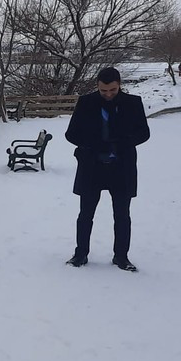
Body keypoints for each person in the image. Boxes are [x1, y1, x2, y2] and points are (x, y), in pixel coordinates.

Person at [64, 67, 150, 271]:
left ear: (119, 84)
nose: (108, 94)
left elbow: (144, 133)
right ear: (97, 86)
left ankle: (121, 257)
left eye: (112, 90)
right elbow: (71, 134)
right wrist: (93, 143)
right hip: (92, 166)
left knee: (122, 215)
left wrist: (124, 142)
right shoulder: (86, 103)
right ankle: (80, 254)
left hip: (122, 167)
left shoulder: (133, 103)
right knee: (85, 214)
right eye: (103, 91)